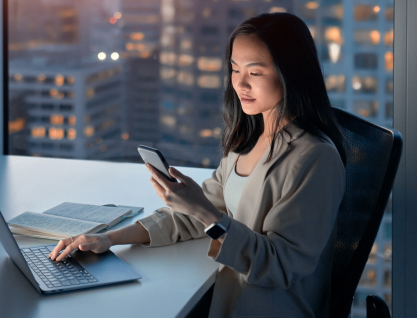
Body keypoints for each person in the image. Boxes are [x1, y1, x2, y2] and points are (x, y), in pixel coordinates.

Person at [49, 12, 346, 318]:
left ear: (291, 74)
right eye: (234, 69)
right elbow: (194, 218)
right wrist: (110, 239)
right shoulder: (250, 138)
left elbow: (281, 266)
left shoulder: (315, 158)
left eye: (255, 73)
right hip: (229, 296)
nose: (240, 83)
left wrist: (204, 211)